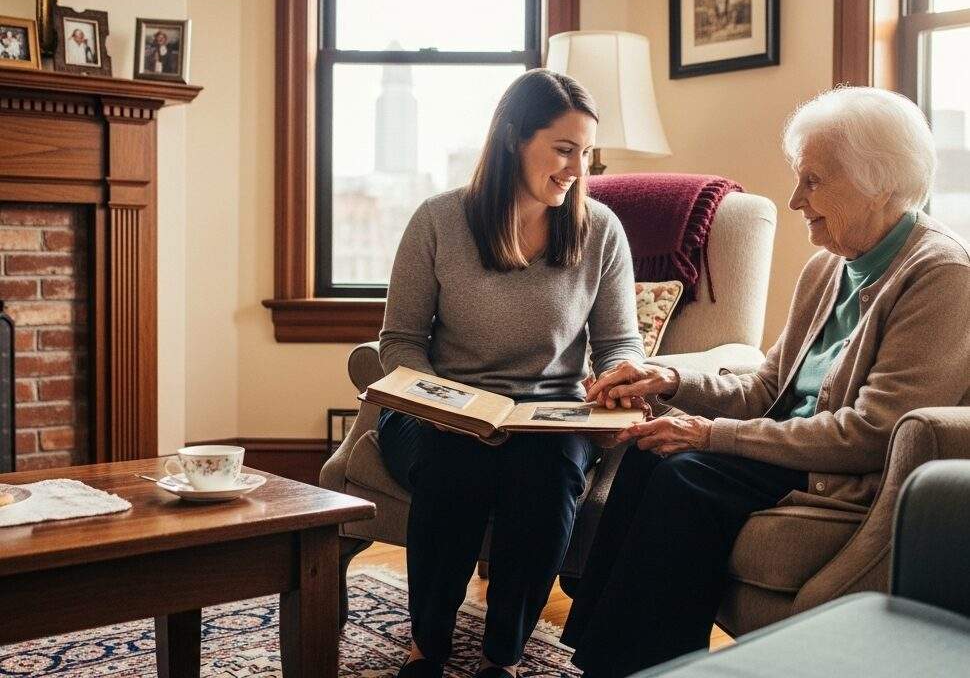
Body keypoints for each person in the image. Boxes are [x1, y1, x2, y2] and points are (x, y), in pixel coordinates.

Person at [560, 86, 970, 677]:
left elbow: (872, 435)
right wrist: (669, 379)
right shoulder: (829, 265)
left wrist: (710, 436)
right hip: (785, 445)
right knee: (650, 455)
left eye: (814, 181)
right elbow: (767, 387)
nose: (797, 199)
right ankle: (605, 660)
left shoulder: (941, 275)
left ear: (878, 180)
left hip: (839, 471)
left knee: (684, 478)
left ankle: (631, 664)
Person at [378, 69, 645, 678]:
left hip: (547, 418)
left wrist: (620, 383)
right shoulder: (438, 220)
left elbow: (618, 342)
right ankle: (428, 651)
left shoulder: (600, 230)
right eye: (563, 149)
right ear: (511, 139)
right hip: (437, 411)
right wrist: (447, 406)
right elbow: (400, 343)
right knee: (456, 464)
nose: (578, 167)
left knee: (545, 473)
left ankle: (503, 657)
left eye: (585, 153)